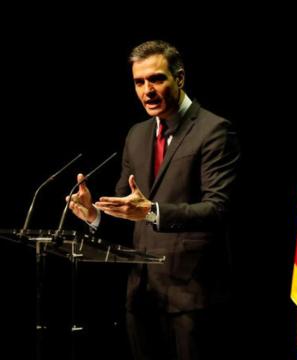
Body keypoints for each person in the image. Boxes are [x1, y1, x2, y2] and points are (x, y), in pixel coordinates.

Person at [67, 40, 240, 359]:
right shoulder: (137, 134)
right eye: (139, 82)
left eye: (157, 79)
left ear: (180, 78)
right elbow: (127, 208)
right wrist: (94, 213)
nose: (147, 90)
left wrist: (152, 212)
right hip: (143, 296)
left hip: (193, 295)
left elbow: (217, 209)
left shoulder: (214, 130)